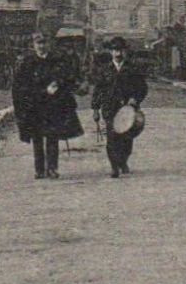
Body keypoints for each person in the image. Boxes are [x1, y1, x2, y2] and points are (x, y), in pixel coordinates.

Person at [11, 31, 83, 179]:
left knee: (52, 137)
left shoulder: (56, 61)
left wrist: (59, 83)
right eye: (38, 43)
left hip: (53, 106)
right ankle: (39, 169)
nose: (41, 46)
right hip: (35, 106)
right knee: (37, 139)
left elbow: (67, 77)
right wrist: (43, 91)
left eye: (44, 43)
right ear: (34, 45)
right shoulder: (27, 63)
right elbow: (21, 86)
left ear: (48, 44)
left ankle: (52, 168)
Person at [92, 36, 149, 177]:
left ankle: (123, 161)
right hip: (109, 108)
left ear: (125, 52)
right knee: (111, 138)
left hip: (128, 109)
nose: (118, 54)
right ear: (111, 52)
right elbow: (98, 90)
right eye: (115, 50)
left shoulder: (132, 69)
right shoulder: (104, 70)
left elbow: (142, 87)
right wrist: (95, 109)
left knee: (126, 139)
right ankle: (114, 167)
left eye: (120, 50)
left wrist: (135, 99)